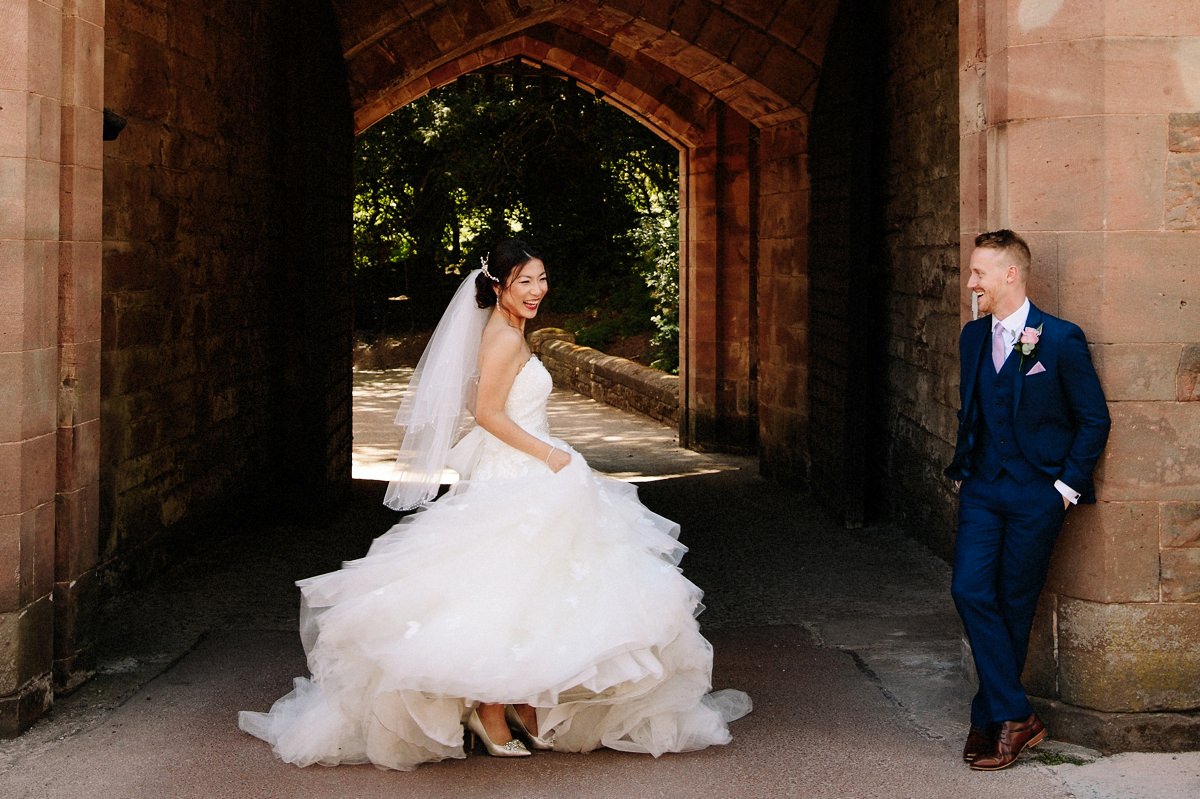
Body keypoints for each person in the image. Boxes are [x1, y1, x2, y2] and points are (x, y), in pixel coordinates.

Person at [239, 239, 750, 770]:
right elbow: (486, 412)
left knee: (538, 589)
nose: (537, 291)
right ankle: (490, 708)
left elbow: (479, 400)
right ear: (499, 286)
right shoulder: (503, 338)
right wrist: (550, 454)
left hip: (532, 470)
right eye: (525, 281)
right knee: (504, 587)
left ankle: (522, 699)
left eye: (543, 279)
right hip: (522, 472)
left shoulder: (509, 333)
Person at [945, 230, 1110, 771]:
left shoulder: (1059, 338)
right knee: (969, 589)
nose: (971, 283)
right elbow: (975, 407)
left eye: (979, 274)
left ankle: (990, 718)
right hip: (984, 489)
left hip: (1038, 494)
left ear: (1010, 274)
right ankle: (1017, 712)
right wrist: (966, 471)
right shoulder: (973, 337)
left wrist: (1063, 490)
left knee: (1016, 603)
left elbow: (1093, 418)